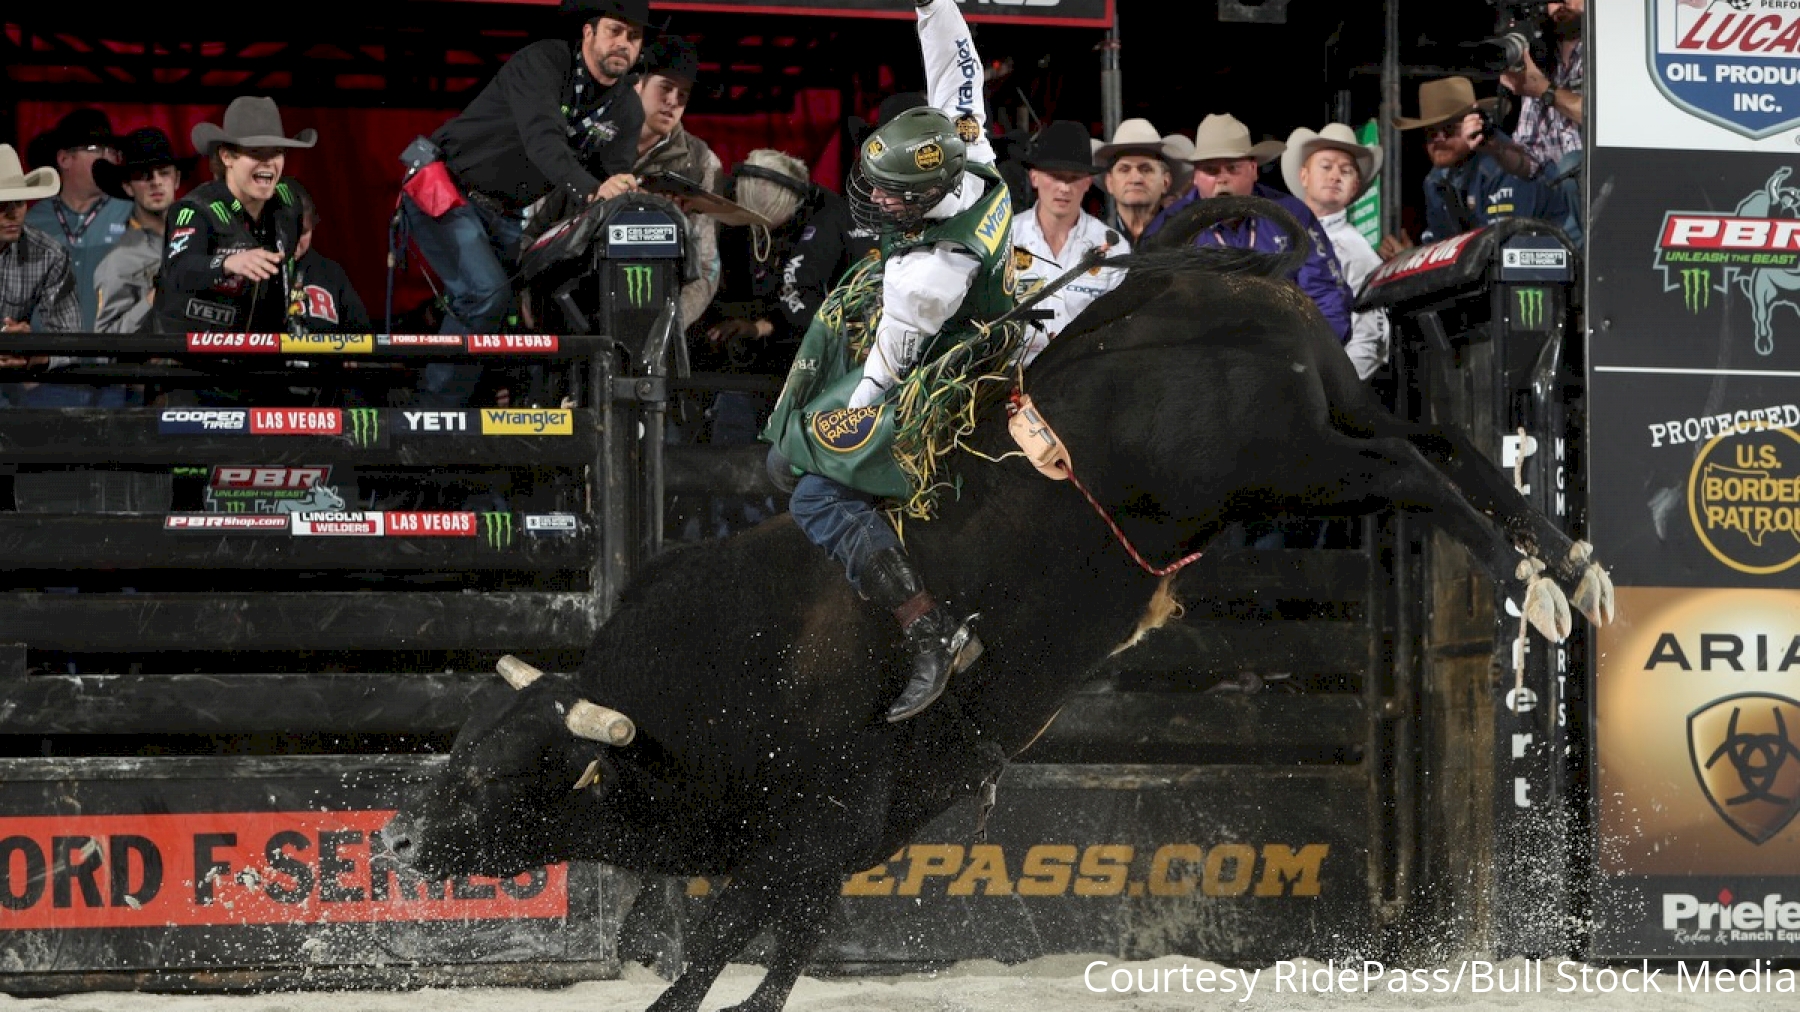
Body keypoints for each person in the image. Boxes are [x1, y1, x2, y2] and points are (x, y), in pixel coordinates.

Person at [763, 0, 1014, 723]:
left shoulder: (927, 277)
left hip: (946, 370)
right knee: (792, 459)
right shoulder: (972, 148)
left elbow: (879, 380)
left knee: (810, 490)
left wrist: (830, 437)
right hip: (974, 328)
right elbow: (957, 65)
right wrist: (932, 4)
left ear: (929, 194)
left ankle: (928, 629)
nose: (873, 198)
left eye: (890, 194)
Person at [403, 0, 648, 338]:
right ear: (588, 32)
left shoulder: (627, 106)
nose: (624, 42)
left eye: (634, 37)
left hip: (508, 215)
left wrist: (624, 192)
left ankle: (439, 375)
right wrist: (594, 189)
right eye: (614, 31)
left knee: (500, 312)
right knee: (486, 296)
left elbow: (613, 175)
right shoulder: (544, 61)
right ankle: (433, 391)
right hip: (450, 189)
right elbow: (544, 141)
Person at [1153, 113, 1352, 341]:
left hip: (1286, 353)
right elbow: (1156, 308)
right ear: (1196, 177)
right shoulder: (1169, 228)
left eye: (1232, 168)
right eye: (1211, 170)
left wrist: (1317, 356)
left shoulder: (1292, 215)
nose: (1222, 179)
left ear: (1253, 170)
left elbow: (1326, 294)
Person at [152, 96, 312, 335]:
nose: (268, 162)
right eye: (256, 152)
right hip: (188, 361)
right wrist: (227, 263)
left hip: (258, 359)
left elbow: (291, 276)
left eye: (276, 152)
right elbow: (178, 270)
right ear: (227, 157)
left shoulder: (289, 205)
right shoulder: (195, 208)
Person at [1380, 77, 1567, 257]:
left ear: (1475, 123)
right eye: (1430, 132)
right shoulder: (1434, 181)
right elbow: (1442, 247)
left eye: (1448, 129)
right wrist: (1412, 257)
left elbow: (1502, 247)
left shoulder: (1504, 163)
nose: (1438, 139)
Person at [1010, 120, 1128, 365]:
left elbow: (1120, 328)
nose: (1064, 187)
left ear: (1087, 183)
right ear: (1034, 178)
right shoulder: (1005, 239)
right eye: (1055, 176)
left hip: (1087, 375)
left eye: (1074, 178)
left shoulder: (1115, 247)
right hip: (1014, 376)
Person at [1282, 124, 1389, 380]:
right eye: (1326, 166)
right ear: (1304, 176)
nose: (1335, 176)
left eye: (1346, 170)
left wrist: (1333, 391)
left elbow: (1369, 338)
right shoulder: (1277, 235)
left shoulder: (1357, 251)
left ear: (1354, 186)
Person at [632, 35, 721, 333]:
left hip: (655, 311)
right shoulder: (596, 140)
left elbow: (706, 266)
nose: (673, 101)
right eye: (665, 88)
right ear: (639, 84)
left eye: (683, 94)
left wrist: (670, 324)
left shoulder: (701, 162)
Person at [24, 109, 133, 331]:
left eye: (112, 150)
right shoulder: (31, 221)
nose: (109, 157)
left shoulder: (132, 215)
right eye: (97, 149)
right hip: (45, 358)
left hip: (113, 356)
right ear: (64, 159)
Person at [92, 128, 194, 334]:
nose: (155, 181)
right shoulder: (118, 261)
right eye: (144, 175)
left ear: (176, 179)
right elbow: (105, 341)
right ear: (128, 187)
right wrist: (154, 298)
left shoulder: (200, 242)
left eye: (164, 172)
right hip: (152, 365)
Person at [1499, 0, 1584, 245]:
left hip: (1615, 185)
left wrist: (1546, 91)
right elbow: (1530, 161)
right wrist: (1493, 145)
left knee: (1572, 163)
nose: (1562, 4)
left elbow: (1605, 118)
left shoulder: (1610, 48)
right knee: (1522, 250)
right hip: (1566, 204)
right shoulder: (1542, 61)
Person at [0, 145, 77, 341]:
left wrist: (28, 354)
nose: (13, 213)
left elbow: (70, 335)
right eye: (1, 205)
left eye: (19, 202)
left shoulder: (49, 254)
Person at [289, 185, 371, 333]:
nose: (295, 242)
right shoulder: (255, 271)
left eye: (303, 233)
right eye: (289, 232)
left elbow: (361, 335)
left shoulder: (331, 273)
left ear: (313, 226)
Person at [1094, 118, 1177, 247]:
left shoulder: (1187, 238)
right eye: (1124, 169)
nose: (1136, 179)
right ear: (1109, 182)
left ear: (1165, 182)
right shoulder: (1091, 240)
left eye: (1146, 169)